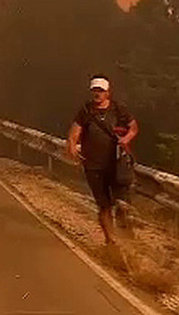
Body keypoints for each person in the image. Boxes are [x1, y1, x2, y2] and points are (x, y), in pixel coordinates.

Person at [67, 74, 139, 244]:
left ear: (108, 92)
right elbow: (74, 131)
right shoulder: (86, 111)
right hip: (93, 165)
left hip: (115, 163)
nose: (97, 94)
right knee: (104, 205)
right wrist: (72, 145)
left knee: (121, 202)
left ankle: (126, 231)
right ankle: (111, 240)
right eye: (95, 90)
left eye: (101, 91)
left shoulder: (118, 109)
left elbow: (134, 127)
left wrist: (126, 139)